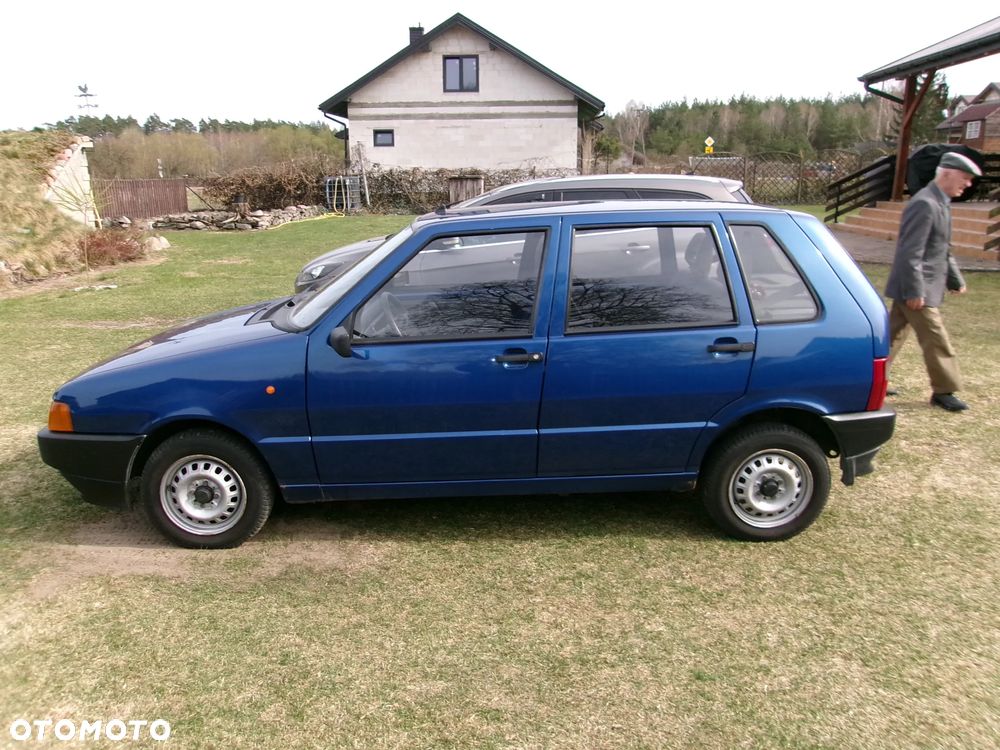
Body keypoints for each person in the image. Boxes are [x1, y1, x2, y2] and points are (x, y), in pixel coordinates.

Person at [884, 151, 981, 412]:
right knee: (937, 339)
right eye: (965, 178)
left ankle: (874, 380)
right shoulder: (925, 203)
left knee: (889, 338)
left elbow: (941, 248)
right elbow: (910, 251)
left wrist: (954, 278)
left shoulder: (941, 202)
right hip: (917, 289)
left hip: (919, 285)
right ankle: (944, 390)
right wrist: (915, 290)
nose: (968, 184)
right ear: (947, 173)